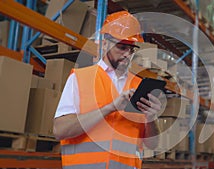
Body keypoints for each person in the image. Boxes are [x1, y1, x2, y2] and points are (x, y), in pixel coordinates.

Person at [53, 11, 162, 169]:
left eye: (131, 49)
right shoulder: (81, 78)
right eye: (122, 47)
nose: (127, 54)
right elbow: (60, 130)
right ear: (104, 43)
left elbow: (153, 145)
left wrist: (152, 117)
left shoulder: (138, 85)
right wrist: (110, 108)